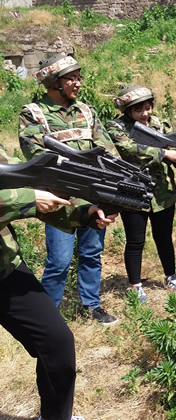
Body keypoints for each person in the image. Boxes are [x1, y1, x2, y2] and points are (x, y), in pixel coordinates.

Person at [0, 145, 116, 420]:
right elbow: (27, 196)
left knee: (57, 343)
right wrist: (27, 199)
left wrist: (86, 213)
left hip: (5, 269)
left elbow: (33, 186)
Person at [18, 54, 119, 325]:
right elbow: (38, 155)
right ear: (54, 83)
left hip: (94, 194)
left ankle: (91, 306)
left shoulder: (86, 111)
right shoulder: (33, 113)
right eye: (70, 78)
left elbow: (107, 149)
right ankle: (47, 317)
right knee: (59, 262)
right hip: (58, 198)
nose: (77, 83)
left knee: (91, 254)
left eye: (78, 77)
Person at [105, 85, 176, 302]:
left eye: (148, 108)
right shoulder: (117, 127)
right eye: (139, 110)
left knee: (164, 238)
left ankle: (171, 276)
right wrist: (164, 153)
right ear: (128, 110)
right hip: (134, 191)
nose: (145, 113)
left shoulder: (159, 125)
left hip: (163, 193)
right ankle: (135, 285)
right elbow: (128, 149)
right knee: (135, 240)